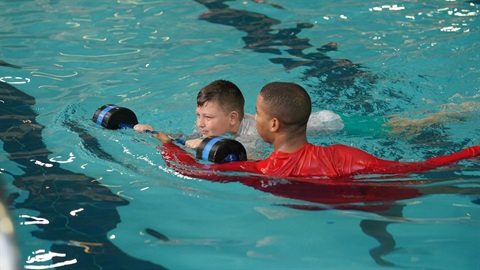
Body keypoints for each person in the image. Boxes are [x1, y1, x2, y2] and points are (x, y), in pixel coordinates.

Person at [153, 82, 480, 178]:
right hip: (303, 123)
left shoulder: (265, 162)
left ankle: (454, 111)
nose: (200, 123)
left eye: (207, 118)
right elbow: (420, 167)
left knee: (400, 127)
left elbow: (197, 170)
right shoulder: (344, 157)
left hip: (331, 125)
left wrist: (167, 144)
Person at [135, 80, 344, 152]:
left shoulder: (251, 134)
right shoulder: (208, 126)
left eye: (208, 117)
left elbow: (248, 159)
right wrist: (153, 133)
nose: (200, 123)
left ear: (232, 118)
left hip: (325, 124)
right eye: (198, 115)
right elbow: (187, 138)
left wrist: (200, 147)